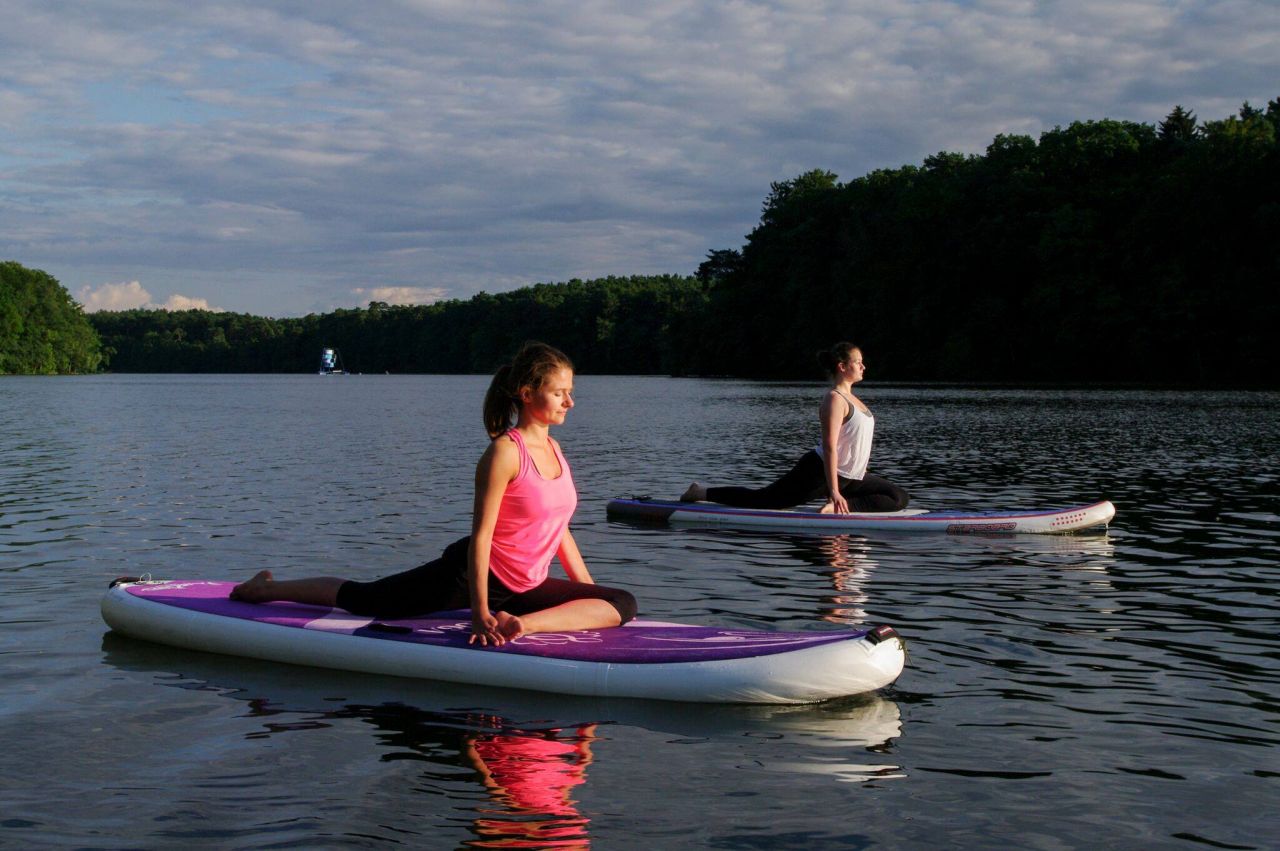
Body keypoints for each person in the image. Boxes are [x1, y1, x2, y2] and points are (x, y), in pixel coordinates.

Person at [231, 341, 637, 646]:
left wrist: (589, 593)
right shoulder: (504, 453)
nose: (570, 400)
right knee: (365, 598)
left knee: (622, 602)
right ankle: (265, 589)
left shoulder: (554, 449)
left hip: (526, 587)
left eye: (570, 390)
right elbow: (481, 539)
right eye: (559, 392)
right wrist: (479, 614)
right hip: (471, 576)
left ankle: (521, 624)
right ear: (527, 395)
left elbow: (558, 529)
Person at [680, 342, 908, 514]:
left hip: (852, 476)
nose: (863, 366)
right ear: (842, 366)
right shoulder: (835, 399)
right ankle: (700, 493)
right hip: (818, 473)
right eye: (858, 362)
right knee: (763, 500)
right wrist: (834, 490)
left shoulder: (855, 399)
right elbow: (830, 448)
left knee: (898, 497)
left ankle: (840, 506)